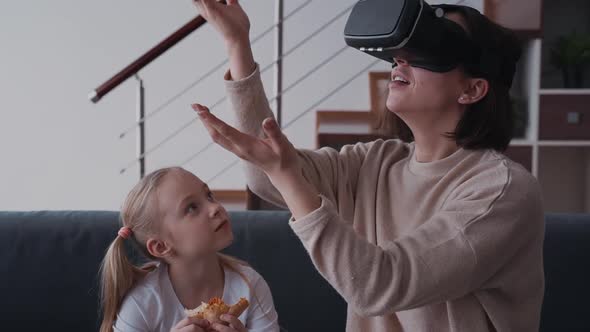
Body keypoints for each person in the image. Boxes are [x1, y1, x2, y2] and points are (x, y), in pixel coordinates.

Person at [193, 0, 544, 331]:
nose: (400, 59)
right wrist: (238, 44)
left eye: (428, 47)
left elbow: (379, 285)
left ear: (472, 89)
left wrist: (285, 173)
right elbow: (267, 175)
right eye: (400, 50)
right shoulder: (376, 162)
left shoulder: (502, 192)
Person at [99, 167, 280, 332]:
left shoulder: (250, 285)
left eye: (208, 195)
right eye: (192, 207)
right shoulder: (141, 304)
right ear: (161, 247)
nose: (215, 207)